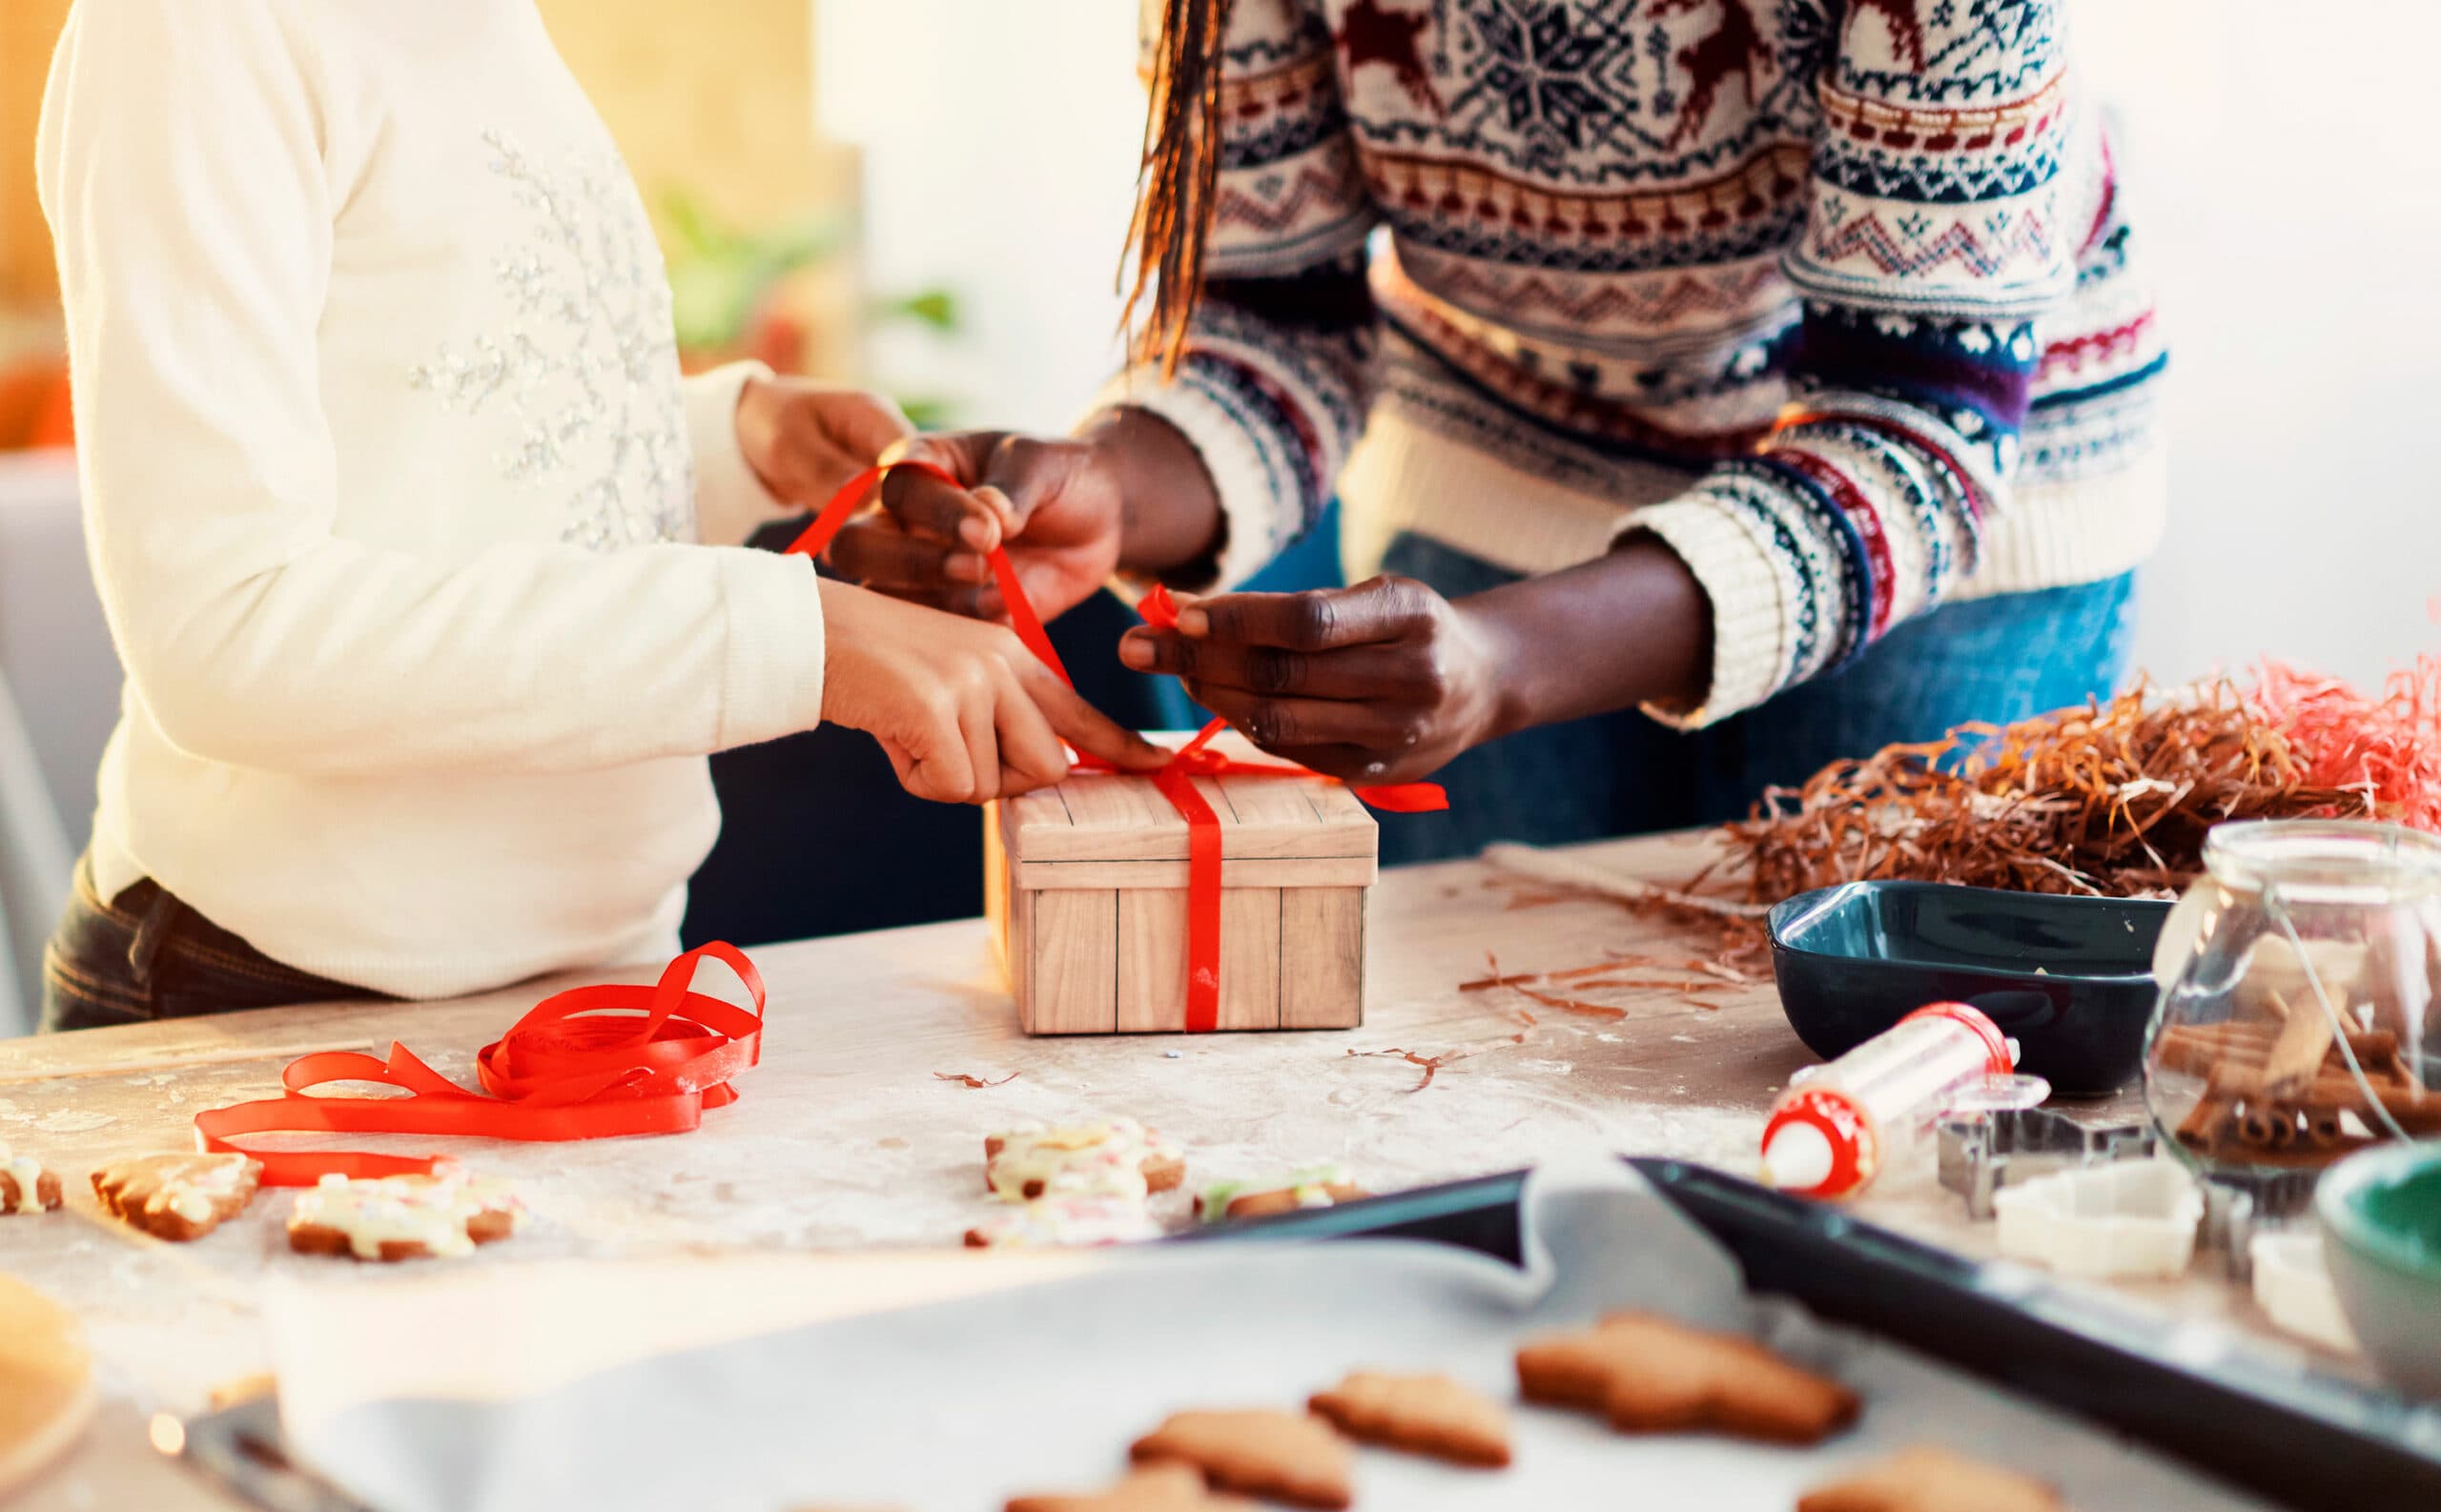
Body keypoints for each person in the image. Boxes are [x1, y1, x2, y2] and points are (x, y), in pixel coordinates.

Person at [32, 0, 1159, 1032]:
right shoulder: (190, 28)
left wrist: (728, 440)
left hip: (585, 982)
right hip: (273, 1001)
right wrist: (805, 638)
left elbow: (432, 441)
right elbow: (228, 632)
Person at [831, 0, 2163, 864]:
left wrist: (1506, 663)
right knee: (1496, 1048)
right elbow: (1272, 319)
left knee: (1885, 1073)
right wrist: (1116, 482)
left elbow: (1913, 424)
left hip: (1955, 518)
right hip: (1516, 456)